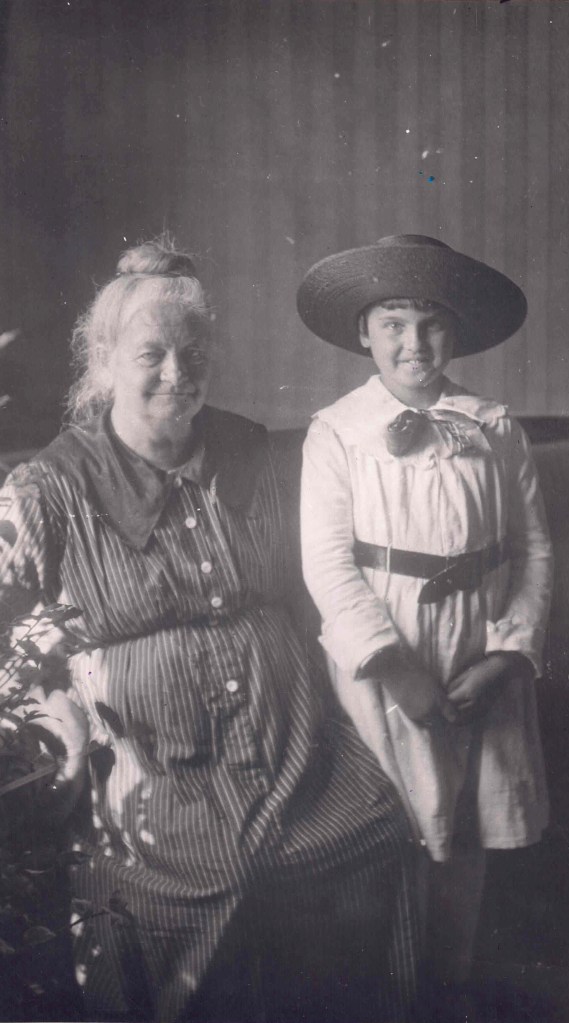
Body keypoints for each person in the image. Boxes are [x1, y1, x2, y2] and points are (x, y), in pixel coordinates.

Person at [0, 239, 419, 1023]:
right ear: (103, 361)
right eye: (151, 354)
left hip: (297, 754)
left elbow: (320, 583)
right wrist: (48, 707)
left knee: (372, 829)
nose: (176, 372)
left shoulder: (254, 450)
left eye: (192, 353)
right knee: (214, 878)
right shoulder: (51, 487)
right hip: (156, 774)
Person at [297, 234, 553, 1018]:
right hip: (389, 656)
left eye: (431, 323)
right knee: (400, 820)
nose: (413, 343)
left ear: (456, 332)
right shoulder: (337, 431)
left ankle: (451, 982)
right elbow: (327, 564)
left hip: (479, 647)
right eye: (393, 324)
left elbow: (533, 549)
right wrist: (393, 666)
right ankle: (392, 990)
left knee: (467, 826)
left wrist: (508, 652)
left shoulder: (493, 428)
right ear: (363, 333)